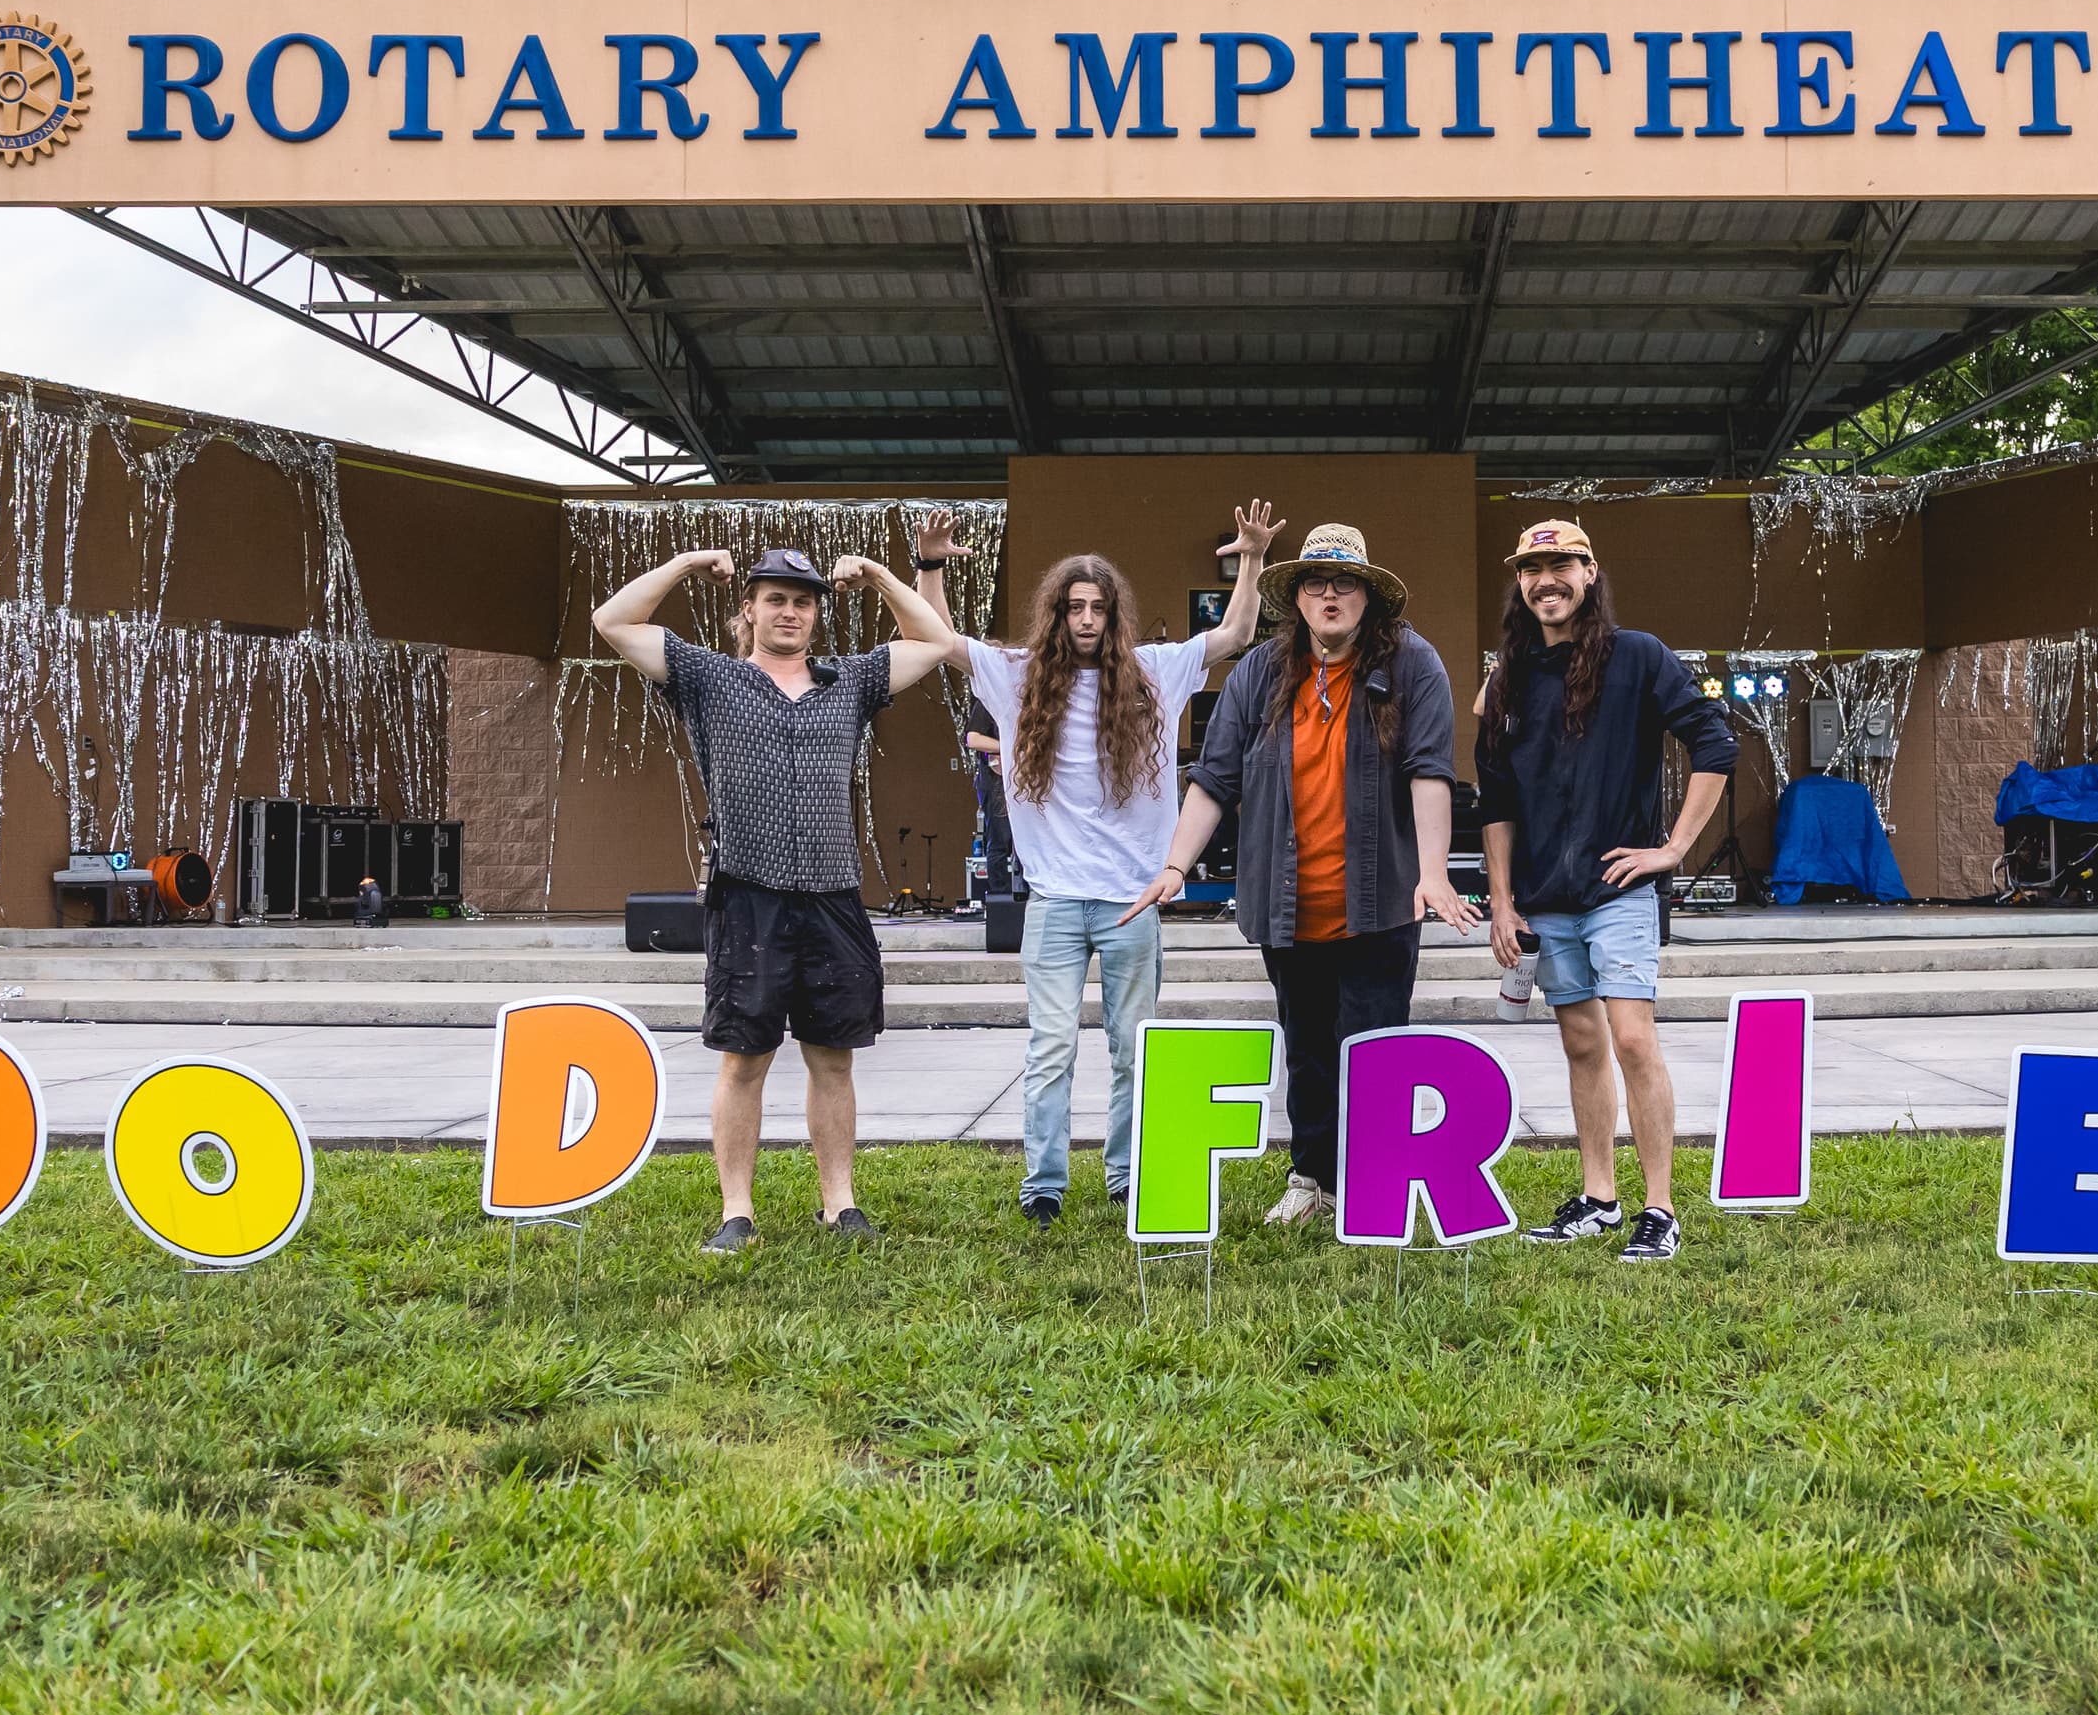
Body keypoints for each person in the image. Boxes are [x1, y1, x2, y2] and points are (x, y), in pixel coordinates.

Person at [591, 543, 958, 1254]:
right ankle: (737, 1212)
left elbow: (937, 641)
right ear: (750, 610)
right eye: (776, 599)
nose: (789, 612)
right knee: (744, 1059)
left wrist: (880, 575)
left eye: (803, 601)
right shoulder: (708, 677)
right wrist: (688, 562)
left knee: (834, 1057)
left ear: (817, 614)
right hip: (747, 896)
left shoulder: (848, 681)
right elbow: (612, 620)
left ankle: (839, 1204)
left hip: (832, 897)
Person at [928, 502, 1284, 1225]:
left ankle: (1126, 1176)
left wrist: (1250, 559)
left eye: (1098, 607)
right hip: (1055, 903)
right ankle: (1044, 1187)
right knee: (1051, 1048)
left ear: (1114, 614)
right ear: (1055, 616)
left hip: (1132, 902)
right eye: (1073, 607)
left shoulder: (1156, 672)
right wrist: (929, 567)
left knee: (1131, 1053)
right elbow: (937, 640)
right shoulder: (1018, 676)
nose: (1086, 619)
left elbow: (1238, 633)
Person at [1122, 523, 1475, 1225]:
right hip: (1288, 904)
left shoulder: (1413, 664)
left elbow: (1430, 770)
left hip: (1379, 903)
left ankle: (1370, 1188)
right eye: (1316, 582)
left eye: (1345, 581)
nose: (1330, 594)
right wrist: (1173, 864)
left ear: (1368, 594)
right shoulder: (1259, 671)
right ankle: (1312, 1176)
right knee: (1309, 1051)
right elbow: (1214, 778)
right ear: (1297, 597)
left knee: (1373, 1052)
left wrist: (1433, 872)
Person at [1477, 518, 1736, 1264]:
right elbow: (1494, 802)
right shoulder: (1510, 679)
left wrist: (1674, 849)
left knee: (1631, 1037)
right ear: (1519, 583)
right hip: (1545, 898)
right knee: (1582, 1042)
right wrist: (1501, 898)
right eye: (1532, 568)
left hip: (1619, 890)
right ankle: (1598, 1199)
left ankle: (1660, 1210)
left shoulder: (1639, 658)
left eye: (1561, 564)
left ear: (1590, 572)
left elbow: (1715, 742)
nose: (1546, 579)